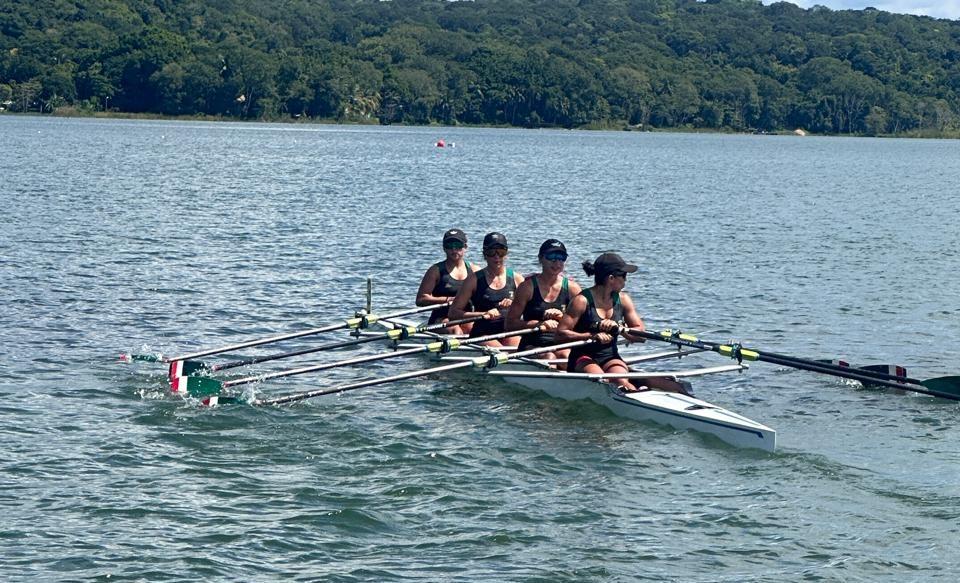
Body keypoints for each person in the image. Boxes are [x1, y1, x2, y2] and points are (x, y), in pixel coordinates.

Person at [557, 252, 682, 393]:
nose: (625, 280)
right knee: (601, 380)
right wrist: (591, 336)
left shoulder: (623, 300)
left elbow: (641, 336)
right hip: (582, 358)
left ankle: (636, 394)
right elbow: (560, 334)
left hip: (610, 357)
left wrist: (621, 329)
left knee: (621, 380)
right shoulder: (581, 301)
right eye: (624, 276)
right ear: (611, 278)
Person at [506, 239, 582, 366]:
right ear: (541, 259)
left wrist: (562, 318)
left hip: (561, 344)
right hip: (532, 344)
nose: (557, 262)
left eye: (561, 258)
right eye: (551, 257)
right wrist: (539, 324)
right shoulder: (527, 288)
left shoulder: (573, 289)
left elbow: (583, 325)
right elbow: (509, 324)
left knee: (566, 356)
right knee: (549, 357)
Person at [449, 232, 525, 347]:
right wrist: (483, 314)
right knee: (501, 352)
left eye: (501, 252)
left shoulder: (517, 279)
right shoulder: (473, 280)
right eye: (491, 252)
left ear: (506, 254)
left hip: (508, 331)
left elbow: (531, 310)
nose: (496, 256)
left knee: (518, 349)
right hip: (482, 333)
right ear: (484, 254)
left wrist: (515, 304)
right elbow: (453, 313)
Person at [415, 228, 477, 334]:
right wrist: (447, 300)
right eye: (449, 246)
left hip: (465, 316)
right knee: (455, 330)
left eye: (458, 246)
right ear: (444, 248)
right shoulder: (435, 271)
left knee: (473, 329)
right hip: (441, 318)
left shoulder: (474, 270)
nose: (454, 250)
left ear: (465, 247)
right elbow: (421, 299)